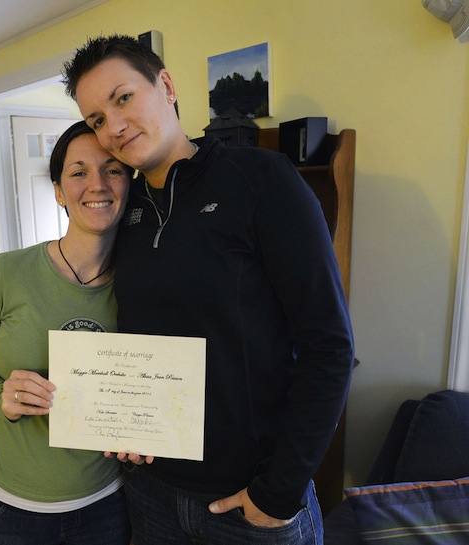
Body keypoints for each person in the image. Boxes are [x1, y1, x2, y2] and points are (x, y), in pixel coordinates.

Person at [62, 35, 354, 545]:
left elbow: (329, 345)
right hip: (151, 492)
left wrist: (278, 492)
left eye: (123, 98)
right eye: (96, 120)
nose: (114, 127)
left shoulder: (260, 180)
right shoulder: (121, 216)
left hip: (252, 503)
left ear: (167, 85)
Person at [0, 120, 133, 545]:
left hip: (107, 504)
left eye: (113, 169)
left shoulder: (143, 286)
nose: (97, 184)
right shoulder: (8, 273)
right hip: (9, 510)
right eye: (78, 172)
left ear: (129, 183)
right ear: (59, 191)